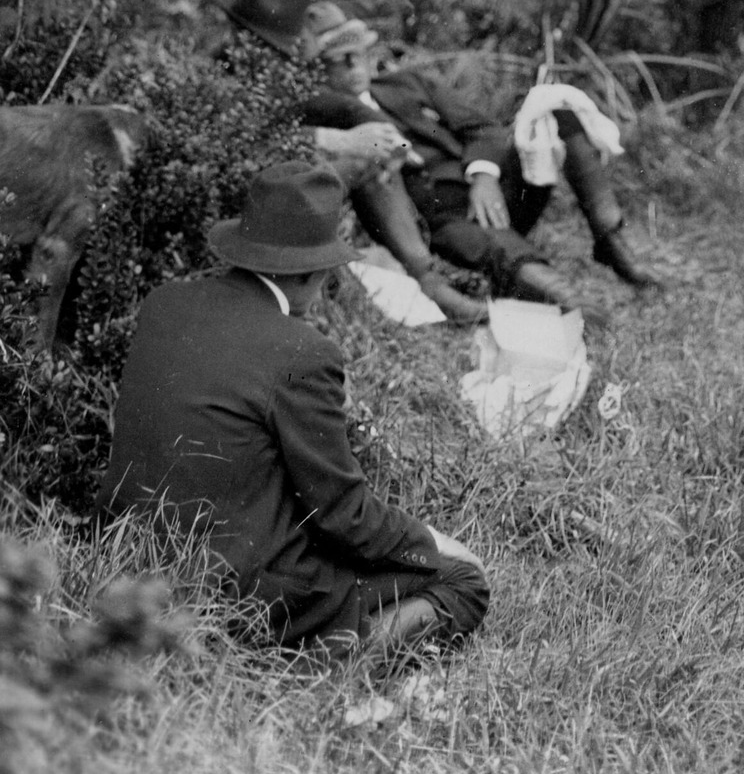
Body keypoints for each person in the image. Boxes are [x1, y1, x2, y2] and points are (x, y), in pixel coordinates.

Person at [98, 161, 490, 655]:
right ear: (314, 269)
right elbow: (347, 521)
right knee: (464, 583)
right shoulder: (302, 352)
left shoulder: (165, 303)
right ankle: (336, 668)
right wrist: (432, 542)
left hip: (136, 564)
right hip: (241, 594)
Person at [300, 5, 664, 313]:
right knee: (497, 250)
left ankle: (611, 240)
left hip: (494, 194)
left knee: (556, 108)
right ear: (319, 71)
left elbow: (481, 127)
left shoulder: (406, 84)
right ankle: (573, 303)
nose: (353, 65)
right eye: (338, 61)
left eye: (357, 53)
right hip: (442, 222)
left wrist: (484, 175)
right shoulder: (326, 119)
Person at [221, 0, 485, 325]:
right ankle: (343, 290)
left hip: (286, 186)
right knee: (345, 158)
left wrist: (386, 135)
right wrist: (336, 140)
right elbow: (244, 141)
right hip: (244, 200)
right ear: (247, 38)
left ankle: (428, 279)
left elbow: (337, 106)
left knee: (371, 156)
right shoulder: (222, 75)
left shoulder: (282, 70)